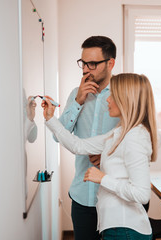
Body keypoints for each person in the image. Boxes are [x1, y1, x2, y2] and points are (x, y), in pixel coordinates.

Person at [43, 73, 157, 240]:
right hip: (116, 227)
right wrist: (50, 119)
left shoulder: (135, 137)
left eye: (113, 95)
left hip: (126, 231)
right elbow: (78, 145)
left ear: (126, 100)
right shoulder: (120, 132)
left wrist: (103, 178)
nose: (107, 100)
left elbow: (142, 194)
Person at [55, 36, 120, 239]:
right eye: (83, 63)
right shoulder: (76, 94)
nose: (85, 70)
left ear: (110, 63)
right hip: (82, 197)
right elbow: (60, 136)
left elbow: (138, 137)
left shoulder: (123, 94)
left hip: (116, 198)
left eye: (92, 64)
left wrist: (108, 156)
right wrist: (78, 102)